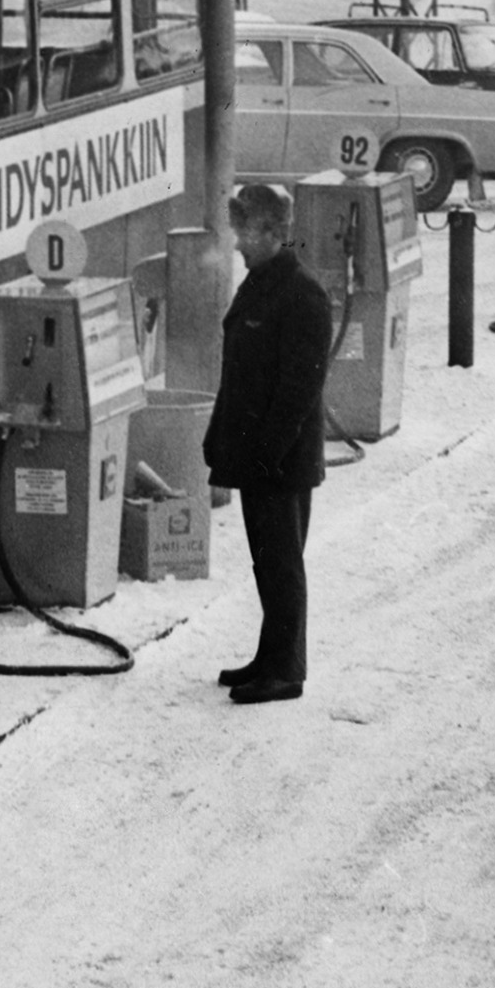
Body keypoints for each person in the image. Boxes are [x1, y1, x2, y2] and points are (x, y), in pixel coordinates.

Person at [204, 181, 333, 705]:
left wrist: (266, 453)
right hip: (257, 454)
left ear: (275, 233)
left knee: (282, 564)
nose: (237, 243)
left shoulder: (301, 292)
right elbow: (237, 373)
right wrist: (220, 437)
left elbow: (299, 390)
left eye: (245, 232)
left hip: (280, 460)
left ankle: (286, 670)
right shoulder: (261, 282)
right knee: (268, 561)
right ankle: (270, 655)